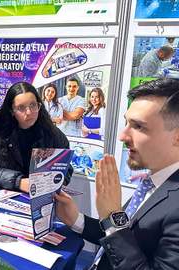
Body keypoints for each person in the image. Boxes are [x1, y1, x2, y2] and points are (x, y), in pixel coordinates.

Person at [55, 78, 179, 270]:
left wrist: (112, 214)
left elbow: (119, 233)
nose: (123, 136)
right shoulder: (154, 182)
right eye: (127, 123)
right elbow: (127, 237)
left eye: (139, 127)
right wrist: (76, 219)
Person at [0, 82, 72, 192]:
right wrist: (18, 182)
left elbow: (66, 169)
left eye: (33, 105)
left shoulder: (53, 134)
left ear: (39, 105)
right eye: (21, 108)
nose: (29, 112)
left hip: (39, 196)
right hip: (5, 194)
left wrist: (51, 181)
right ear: (11, 111)